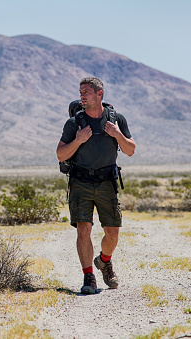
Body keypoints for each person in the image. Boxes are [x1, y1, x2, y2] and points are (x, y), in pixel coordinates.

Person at [56, 76, 136, 294]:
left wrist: (117, 134)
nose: (82, 95)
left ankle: (104, 261)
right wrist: (78, 140)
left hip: (106, 183)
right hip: (80, 182)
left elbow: (130, 150)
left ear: (99, 94)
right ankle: (88, 276)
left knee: (112, 233)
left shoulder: (115, 119)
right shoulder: (74, 123)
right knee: (83, 229)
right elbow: (60, 154)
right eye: (80, 92)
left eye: (86, 92)